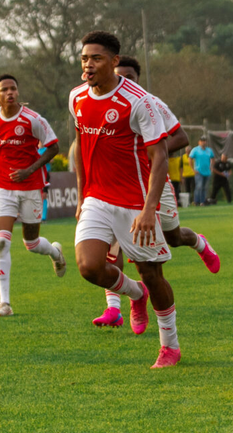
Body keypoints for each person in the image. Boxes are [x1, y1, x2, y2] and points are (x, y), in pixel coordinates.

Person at [71, 31, 183, 368]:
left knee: (153, 275)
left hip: (135, 203)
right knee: (89, 266)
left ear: (114, 62)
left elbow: (160, 156)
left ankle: (170, 346)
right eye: (84, 59)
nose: (88, 65)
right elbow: (79, 144)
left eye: (96, 59)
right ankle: (135, 294)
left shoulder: (139, 101)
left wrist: (150, 209)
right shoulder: (76, 97)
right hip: (96, 198)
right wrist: (81, 194)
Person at [91, 55, 221, 334]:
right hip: (117, 187)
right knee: (110, 244)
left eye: (130, 76)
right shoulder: (98, 103)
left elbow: (182, 137)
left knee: (173, 238)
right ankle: (120, 305)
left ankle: (199, 243)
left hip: (153, 185)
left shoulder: (149, 103)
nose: (124, 80)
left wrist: (151, 150)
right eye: (119, 74)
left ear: (138, 79)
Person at [0, 73, 66, 317]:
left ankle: (55, 252)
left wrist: (30, 170)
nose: (10, 92)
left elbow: (54, 146)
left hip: (30, 186)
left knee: (31, 243)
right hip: (2, 186)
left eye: (13, 88)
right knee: (2, 241)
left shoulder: (33, 119)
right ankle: (5, 303)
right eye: (4, 89)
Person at [189, 136, 215, 206]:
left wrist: (211, 166)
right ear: (199, 142)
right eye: (202, 141)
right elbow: (190, 158)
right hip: (199, 171)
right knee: (199, 186)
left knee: (205, 187)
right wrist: (193, 169)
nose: (204, 142)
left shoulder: (209, 150)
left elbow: (212, 158)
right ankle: (196, 201)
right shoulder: (195, 150)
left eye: (205, 141)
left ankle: (203, 201)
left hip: (207, 172)